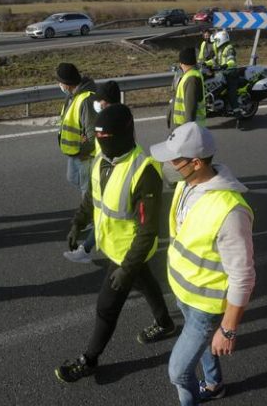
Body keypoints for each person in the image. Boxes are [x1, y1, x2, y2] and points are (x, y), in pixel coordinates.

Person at [55, 104, 176, 383]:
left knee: (106, 308)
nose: (101, 144)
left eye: (105, 139)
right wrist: (77, 222)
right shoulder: (101, 159)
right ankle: (165, 323)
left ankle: (89, 360)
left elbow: (148, 231)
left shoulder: (144, 171)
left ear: (123, 135)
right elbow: (92, 198)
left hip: (128, 253)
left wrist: (127, 267)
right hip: (111, 246)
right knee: (145, 282)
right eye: (99, 139)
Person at [150, 122, 255, 405]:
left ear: (196, 163)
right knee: (202, 350)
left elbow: (243, 276)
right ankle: (214, 383)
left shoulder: (231, 212)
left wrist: (228, 329)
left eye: (174, 159)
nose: (168, 164)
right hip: (185, 293)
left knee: (178, 372)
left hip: (205, 307)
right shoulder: (188, 184)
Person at [63, 80, 121, 264]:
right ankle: (86, 248)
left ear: (107, 100)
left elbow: (113, 148)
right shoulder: (113, 116)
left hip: (111, 172)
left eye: (100, 100)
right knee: (104, 214)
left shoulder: (113, 120)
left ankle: (85, 249)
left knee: (104, 214)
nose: (97, 103)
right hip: (104, 169)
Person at [56, 62, 98, 195]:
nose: (59, 85)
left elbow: (92, 133)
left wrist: (84, 150)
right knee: (73, 178)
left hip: (85, 154)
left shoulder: (86, 100)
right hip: (75, 152)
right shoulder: (72, 96)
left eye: (60, 82)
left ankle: (91, 212)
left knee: (87, 190)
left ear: (67, 84)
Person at [171, 47, 206, 128]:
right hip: (184, 127)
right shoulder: (189, 76)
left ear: (182, 63)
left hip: (187, 129)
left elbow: (190, 109)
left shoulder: (191, 79)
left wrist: (187, 131)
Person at [213, 30, 239, 115]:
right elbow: (214, 60)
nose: (216, 42)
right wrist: (205, 63)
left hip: (231, 72)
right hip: (223, 72)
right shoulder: (220, 49)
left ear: (222, 39)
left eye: (217, 40)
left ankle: (236, 111)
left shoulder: (229, 48)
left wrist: (225, 65)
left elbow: (232, 61)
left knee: (231, 92)